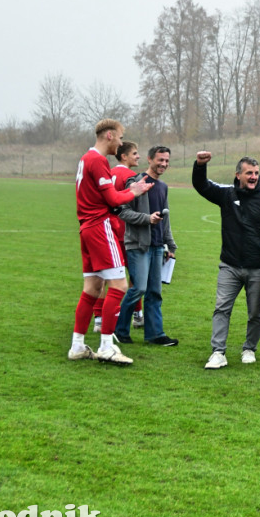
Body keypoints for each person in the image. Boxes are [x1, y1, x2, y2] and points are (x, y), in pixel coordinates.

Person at [193, 152, 260, 369]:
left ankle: (249, 349)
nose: (254, 176)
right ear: (238, 175)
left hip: (258, 268)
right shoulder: (226, 195)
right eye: (249, 173)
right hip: (229, 265)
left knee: (255, 312)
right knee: (221, 308)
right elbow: (202, 186)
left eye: (256, 173)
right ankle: (218, 352)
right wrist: (200, 165)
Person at [70, 119, 150, 366]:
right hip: (99, 227)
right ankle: (106, 346)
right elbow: (114, 199)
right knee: (119, 285)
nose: (121, 142)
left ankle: (78, 345)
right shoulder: (98, 161)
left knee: (92, 288)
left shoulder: (86, 159)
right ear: (109, 135)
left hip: (86, 228)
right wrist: (134, 192)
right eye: (120, 137)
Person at [114, 146, 179, 346]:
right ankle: (118, 329)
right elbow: (121, 211)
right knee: (138, 289)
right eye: (160, 160)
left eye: (167, 161)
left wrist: (170, 245)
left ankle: (155, 335)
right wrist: (146, 219)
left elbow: (165, 218)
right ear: (150, 159)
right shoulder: (135, 182)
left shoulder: (163, 187)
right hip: (138, 245)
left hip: (158, 246)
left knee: (154, 292)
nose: (164, 164)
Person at [93, 141, 142, 333]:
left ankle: (98, 318)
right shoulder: (131, 176)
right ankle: (136, 314)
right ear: (124, 156)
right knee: (136, 276)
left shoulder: (108, 173)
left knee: (105, 277)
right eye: (135, 153)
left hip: (107, 231)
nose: (137, 156)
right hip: (126, 232)